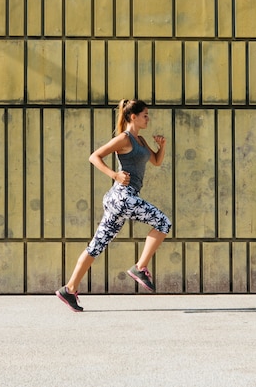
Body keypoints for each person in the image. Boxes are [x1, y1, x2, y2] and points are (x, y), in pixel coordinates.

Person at [56, 99, 172, 312]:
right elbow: (95, 156)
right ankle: (140, 268)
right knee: (163, 223)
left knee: (96, 246)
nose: (148, 118)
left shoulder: (142, 140)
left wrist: (161, 146)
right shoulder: (124, 138)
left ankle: (69, 289)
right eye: (145, 114)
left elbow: (155, 161)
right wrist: (115, 175)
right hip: (122, 196)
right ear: (133, 117)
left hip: (120, 200)